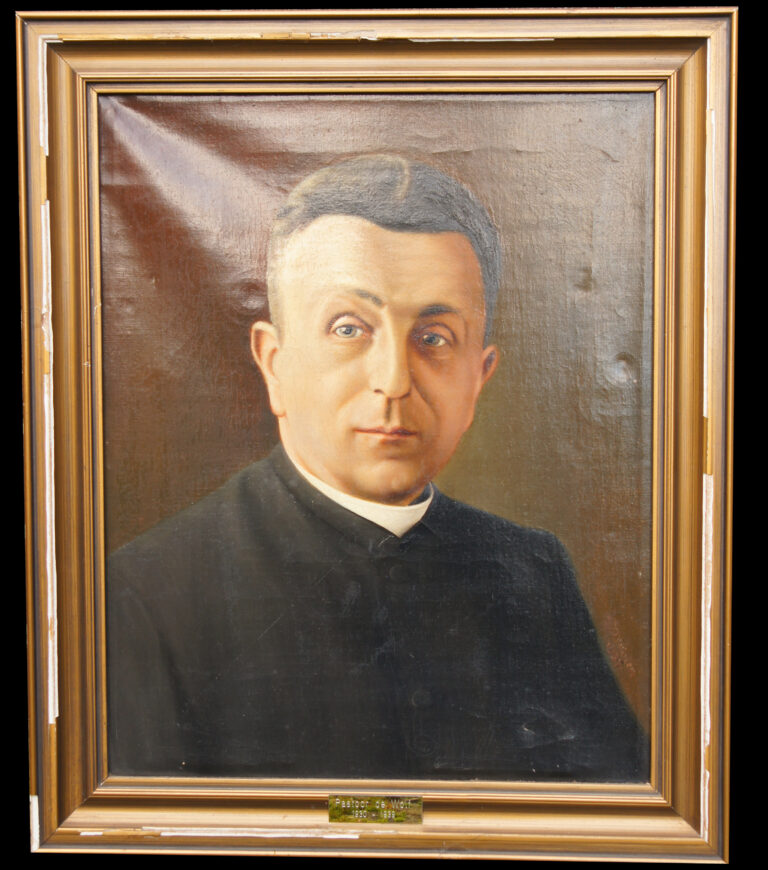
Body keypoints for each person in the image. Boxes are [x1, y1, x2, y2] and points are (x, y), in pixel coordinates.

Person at [107, 154, 648, 781]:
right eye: (349, 328)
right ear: (275, 363)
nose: (393, 381)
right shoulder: (147, 594)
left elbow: (615, 809)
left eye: (434, 338)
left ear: (479, 377)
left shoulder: (534, 572)